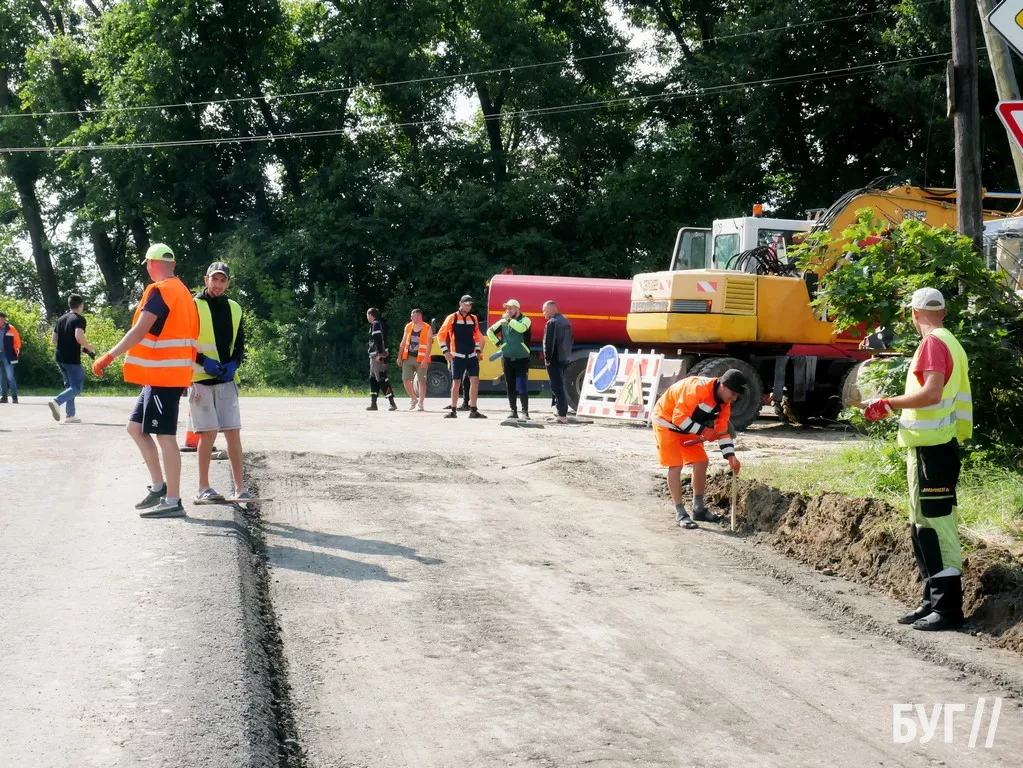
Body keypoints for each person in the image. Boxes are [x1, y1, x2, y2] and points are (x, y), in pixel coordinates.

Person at [862, 288, 971, 632]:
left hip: (934, 449)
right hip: (931, 447)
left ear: (913, 313)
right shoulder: (949, 341)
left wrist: (888, 403)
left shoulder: (934, 343)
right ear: (944, 311)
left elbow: (932, 393)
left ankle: (947, 608)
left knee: (937, 527)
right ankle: (931, 602)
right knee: (922, 525)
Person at [92, 243, 199, 518]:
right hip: (164, 375)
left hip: (165, 376)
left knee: (165, 436)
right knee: (135, 428)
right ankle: (159, 487)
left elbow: (140, 330)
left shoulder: (162, 291)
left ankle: (173, 500)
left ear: (151, 264)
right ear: (172, 264)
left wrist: (108, 356)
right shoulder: (183, 293)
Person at [189, 262, 252, 506]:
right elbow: (184, 341)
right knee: (208, 433)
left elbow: (240, 344)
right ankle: (203, 487)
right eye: (214, 279)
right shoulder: (193, 305)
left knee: (233, 432)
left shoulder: (235, 308)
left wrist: (234, 363)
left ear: (228, 283)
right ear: (205, 279)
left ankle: (240, 489)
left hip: (226, 379)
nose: (217, 284)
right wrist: (203, 360)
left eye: (222, 280)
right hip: (200, 379)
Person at [652, 370, 745, 529]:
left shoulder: (724, 402)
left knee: (701, 461)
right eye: (734, 394)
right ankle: (680, 513)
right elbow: (678, 418)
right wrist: (704, 431)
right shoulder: (696, 389)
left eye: (737, 395)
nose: (734, 398)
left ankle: (698, 509)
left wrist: (731, 456)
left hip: (687, 427)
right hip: (666, 423)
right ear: (723, 386)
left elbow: (722, 431)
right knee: (676, 465)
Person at [438, 295, 487, 419]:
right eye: (466, 304)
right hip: (457, 356)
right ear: (460, 303)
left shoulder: (473, 318)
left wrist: (478, 350)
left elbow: (477, 336)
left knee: (475, 381)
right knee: (456, 383)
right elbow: (441, 335)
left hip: (472, 356)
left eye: (470, 304)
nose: (468, 306)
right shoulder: (452, 317)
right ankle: (453, 411)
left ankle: (473, 410)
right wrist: (445, 352)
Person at [48, 294, 95, 423]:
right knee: (77, 386)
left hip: (59, 356)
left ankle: (70, 415)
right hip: (71, 358)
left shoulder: (61, 319)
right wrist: (88, 347)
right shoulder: (79, 319)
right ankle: (56, 401)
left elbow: (53, 340)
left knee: (70, 386)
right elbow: (78, 337)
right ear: (80, 305)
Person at [487, 298, 532, 419]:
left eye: (510, 308)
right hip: (507, 358)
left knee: (521, 385)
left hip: (522, 359)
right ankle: (513, 411)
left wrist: (509, 320)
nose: (508, 310)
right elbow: (490, 331)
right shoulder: (504, 321)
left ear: (517, 308)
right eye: (507, 308)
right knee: (510, 386)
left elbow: (521, 328)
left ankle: (525, 412)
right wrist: (499, 344)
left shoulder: (526, 319)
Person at [542, 300, 573, 424]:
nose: (543, 313)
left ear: (550, 309)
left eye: (544, 310)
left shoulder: (552, 322)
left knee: (556, 386)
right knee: (561, 386)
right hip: (564, 358)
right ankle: (560, 411)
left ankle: (562, 416)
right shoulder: (565, 321)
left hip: (554, 359)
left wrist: (548, 359)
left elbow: (549, 343)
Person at [399, 308, 432, 411]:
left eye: (413, 316)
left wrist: (425, 359)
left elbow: (429, 345)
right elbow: (403, 342)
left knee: (422, 381)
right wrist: (399, 357)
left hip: (421, 359)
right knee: (405, 379)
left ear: (419, 316)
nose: (411, 318)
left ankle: (421, 403)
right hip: (408, 357)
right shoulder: (408, 326)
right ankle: (413, 399)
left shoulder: (427, 327)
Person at [366, 307, 397, 411]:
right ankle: (373, 404)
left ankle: (392, 403)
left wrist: (380, 354)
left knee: (382, 379)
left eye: (367, 315)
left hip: (377, 356)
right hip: (374, 356)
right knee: (373, 379)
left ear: (370, 315)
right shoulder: (378, 323)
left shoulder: (376, 324)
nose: (367, 317)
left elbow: (378, 339)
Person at [0, 311, 21, 404]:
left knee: (10, 376)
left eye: (1, 319)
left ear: (3, 319)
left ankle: (14, 397)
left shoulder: (11, 328)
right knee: (1, 378)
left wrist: (14, 351)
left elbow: (18, 342)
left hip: (8, 355)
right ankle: (4, 397)